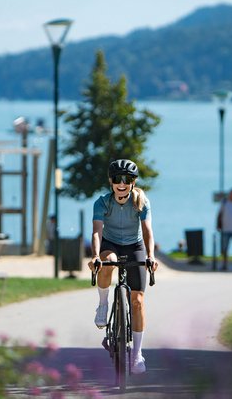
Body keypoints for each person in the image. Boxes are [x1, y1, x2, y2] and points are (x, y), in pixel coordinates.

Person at [87, 159, 159, 375]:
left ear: (133, 182)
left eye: (126, 180)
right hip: (110, 244)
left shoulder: (141, 202)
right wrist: (94, 256)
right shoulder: (102, 202)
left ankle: (137, 354)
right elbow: (97, 232)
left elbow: (147, 231)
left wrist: (151, 256)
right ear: (111, 181)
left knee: (137, 301)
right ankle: (102, 304)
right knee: (107, 262)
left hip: (134, 245)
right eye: (117, 179)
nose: (122, 184)